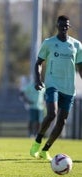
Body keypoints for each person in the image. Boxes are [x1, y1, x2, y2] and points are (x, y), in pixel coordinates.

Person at [30, 15, 82, 161]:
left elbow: (80, 67)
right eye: (61, 25)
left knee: (62, 121)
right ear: (57, 25)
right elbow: (38, 63)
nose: (64, 27)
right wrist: (37, 79)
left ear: (69, 27)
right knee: (52, 113)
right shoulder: (49, 43)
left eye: (66, 25)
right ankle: (37, 141)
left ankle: (45, 150)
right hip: (53, 85)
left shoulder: (77, 45)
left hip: (69, 89)